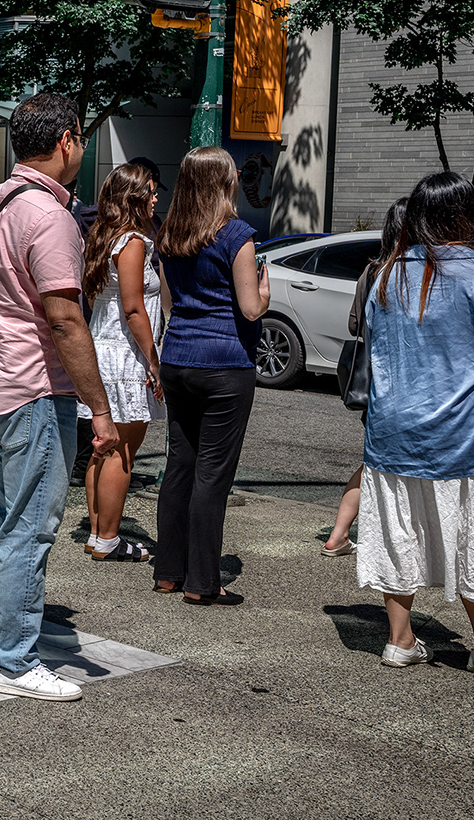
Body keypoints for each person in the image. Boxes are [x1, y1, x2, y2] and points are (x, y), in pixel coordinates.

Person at [0, 93, 119, 703]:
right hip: (35, 391)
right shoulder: (50, 217)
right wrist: (101, 409)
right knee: (30, 527)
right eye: (82, 139)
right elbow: (66, 318)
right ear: (67, 139)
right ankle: (11, 660)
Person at [357, 171, 474, 675]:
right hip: (465, 431)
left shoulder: (389, 272)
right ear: (466, 215)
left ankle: (400, 641)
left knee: (400, 532)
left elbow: (377, 345)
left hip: (393, 428)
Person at [154, 146, 269, 605]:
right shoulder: (236, 234)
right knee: (212, 474)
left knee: (180, 465)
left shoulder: (169, 235)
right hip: (225, 362)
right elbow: (250, 307)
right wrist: (264, 291)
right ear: (225, 182)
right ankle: (203, 581)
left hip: (178, 356)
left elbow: (166, 304)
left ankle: (169, 570)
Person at [78, 162, 166, 562]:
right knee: (123, 451)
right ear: (132, 198)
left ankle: (98, 532)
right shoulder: (132, 241)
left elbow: (99, 301)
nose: (155, 197)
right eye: (149, 191)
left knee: (102, 447)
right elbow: (134, 309)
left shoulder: (101, 236)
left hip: (101, 347)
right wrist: (153, 360)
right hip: (125, 354)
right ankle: (109, 538)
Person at [322, 198, 407, 558]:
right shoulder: (413, 275)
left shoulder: (373, 270)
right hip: (405, 384)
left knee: (376, 459)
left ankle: (339, 534)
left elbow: (354, 324)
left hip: (374, 383)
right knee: (390, 462)